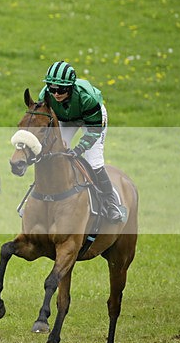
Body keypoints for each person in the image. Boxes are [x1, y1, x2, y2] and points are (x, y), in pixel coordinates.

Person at [38, 60, 124, 222]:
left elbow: (94, 130)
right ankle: (42, 194)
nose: (56, 94)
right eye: (52, 88)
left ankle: (110, 202)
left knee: (94, 161)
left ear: (70, 87)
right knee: (54, 153)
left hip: (91, 120)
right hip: (65, 117)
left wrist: (78, 149)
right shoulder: (45, 96)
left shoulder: (87, 98)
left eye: (61, 89)